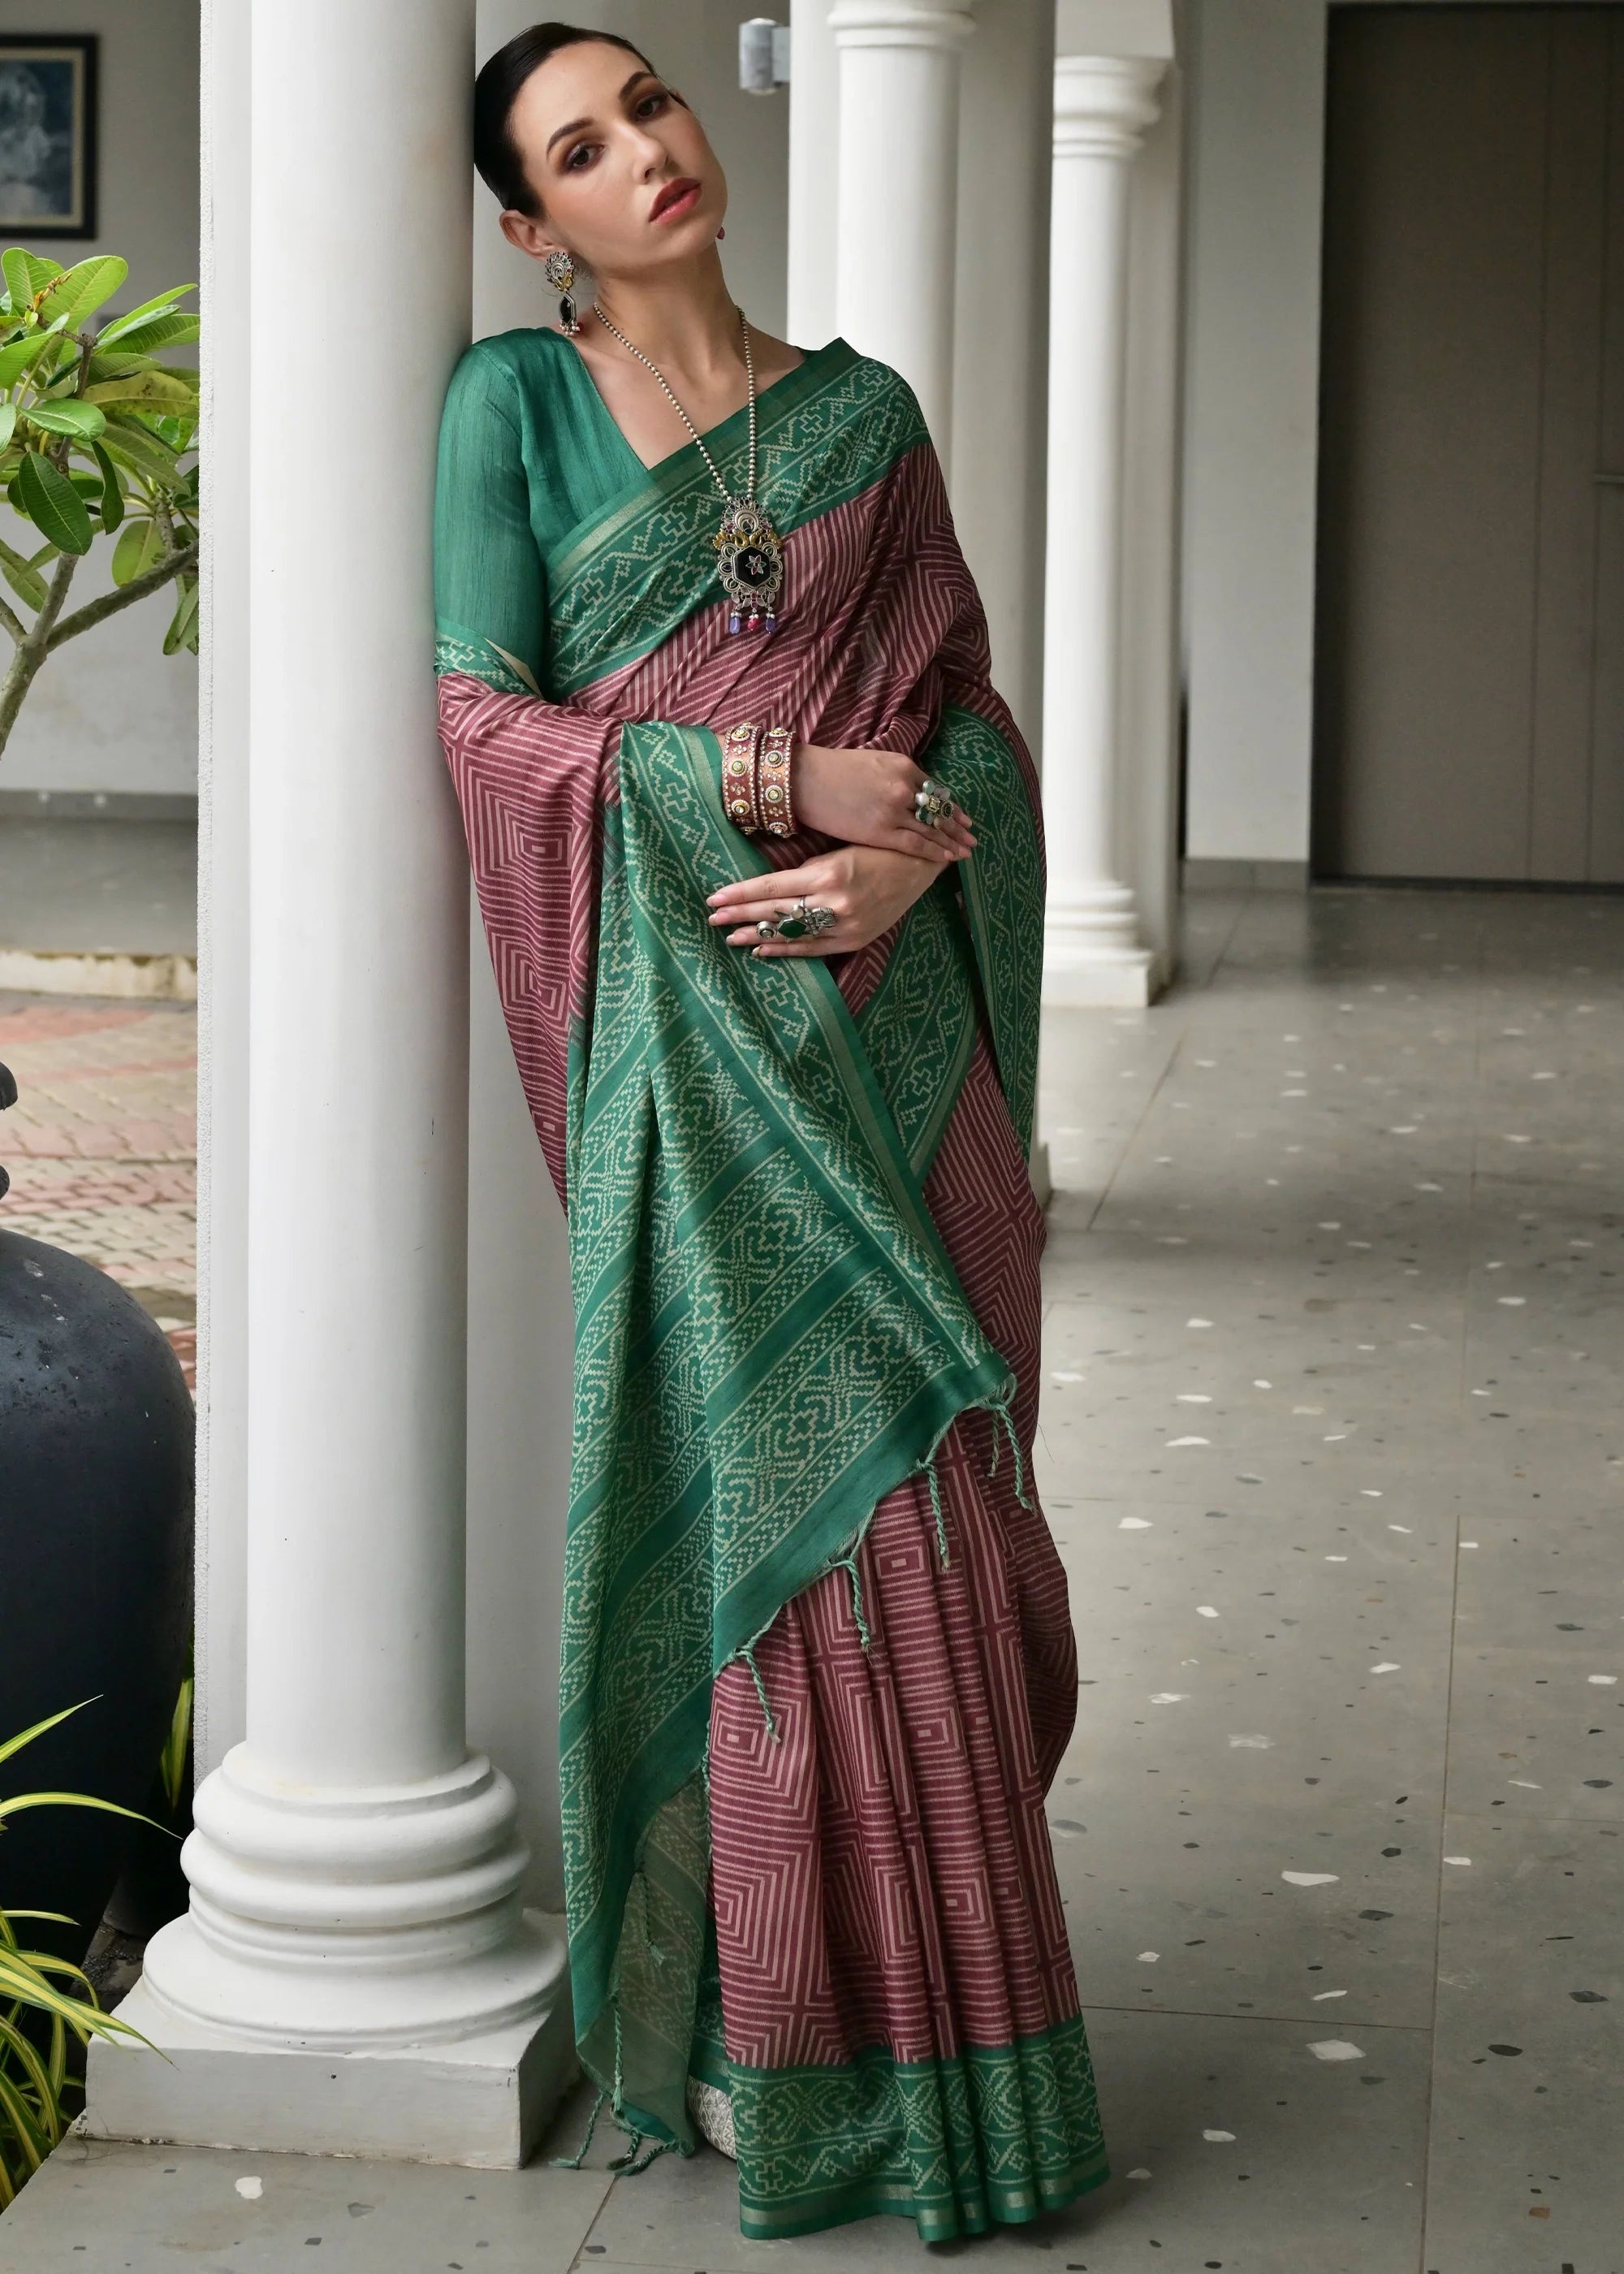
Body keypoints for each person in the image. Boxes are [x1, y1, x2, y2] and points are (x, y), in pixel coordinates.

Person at [434, 21, 1107, 2243]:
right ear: (530, 225)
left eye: (648, 105)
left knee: (931, 1507)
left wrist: (905, 856)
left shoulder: (865, 418)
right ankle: (775, 2043)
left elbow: (966, 722)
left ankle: (968, 2048)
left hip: (896, 1053)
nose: (644, 152)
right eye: (579, 149)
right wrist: (762, 777)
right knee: (771, 1534)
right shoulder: (511, 409)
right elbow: (487, 731)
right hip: (694, 1064)